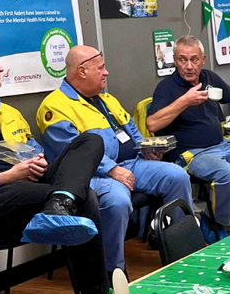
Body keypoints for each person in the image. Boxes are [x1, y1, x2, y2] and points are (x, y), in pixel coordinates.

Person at [0, 36, 110, 294]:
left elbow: (34, 148)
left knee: (91, 140)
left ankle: (59, 204)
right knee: (87, 198)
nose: (0, 68)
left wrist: (39, 161)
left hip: (26, 187)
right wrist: (9, 175)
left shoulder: (6, 112)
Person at [37, 46, 194, 275]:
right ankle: (113, 271)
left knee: (177, 176)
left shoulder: (106, 99)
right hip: (90, 175)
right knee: (118, 200)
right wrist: (112, 170)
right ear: (82, 71)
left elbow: (131, 130)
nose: (106, 72)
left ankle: (181, 252)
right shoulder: (54, 107)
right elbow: (73, 154)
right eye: (100, 68)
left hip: (131, 163)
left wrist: (146, 150)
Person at [146, 35, 230, 242]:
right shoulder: (167, 87)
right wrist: (184, 101)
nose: (188, 66)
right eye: (182, 60)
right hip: (191, 153)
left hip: (222, 145)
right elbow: (152, 124)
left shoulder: (210, 78)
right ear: (175, 60)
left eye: (194, 59)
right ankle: (213, 220)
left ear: (203, 59)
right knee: (229, 174)